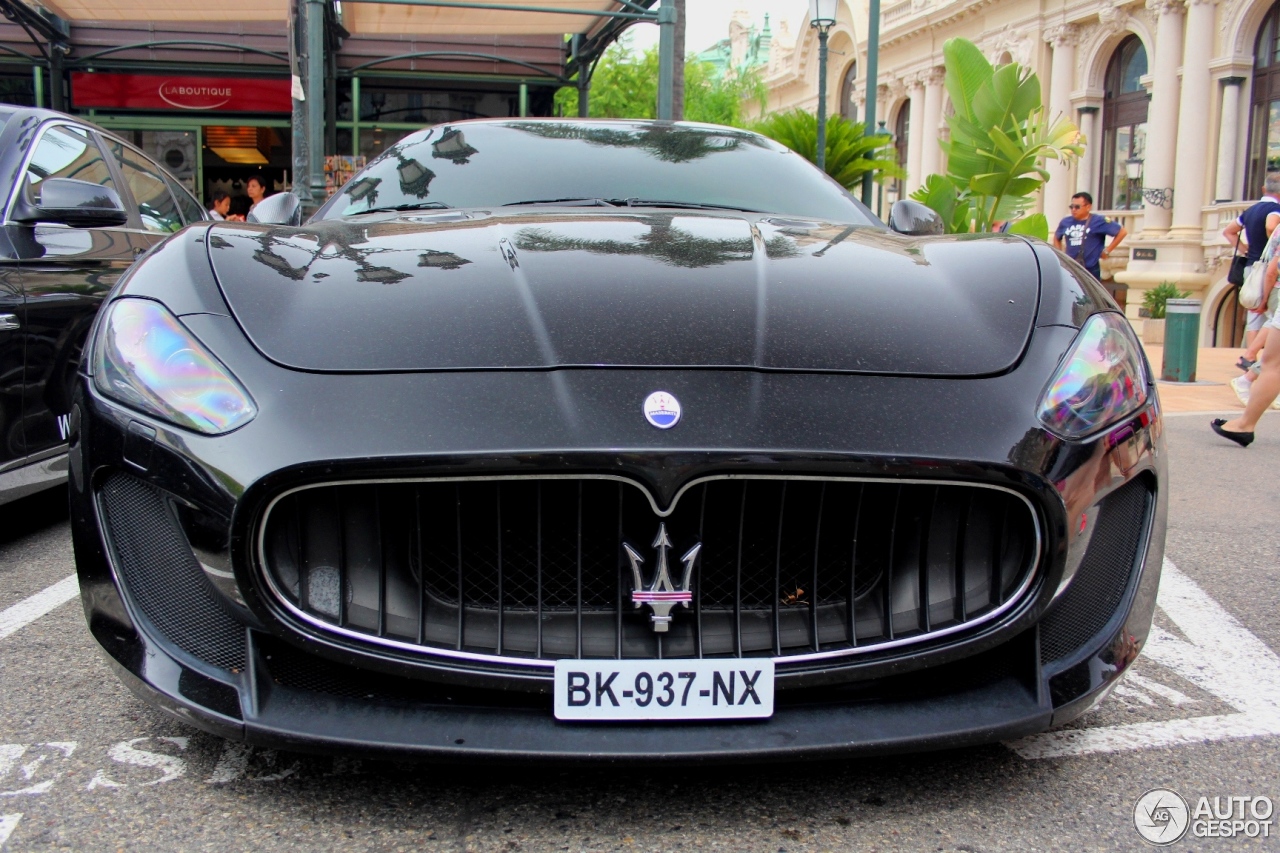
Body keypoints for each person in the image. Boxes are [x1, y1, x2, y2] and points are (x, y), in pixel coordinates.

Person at [1222, 175, 1280, 349]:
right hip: (1267, 268)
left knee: (1253, 316)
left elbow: (1229, 231)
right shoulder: (1276, 209)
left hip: (1251, 267)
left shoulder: (1251, 210)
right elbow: (1271, 225)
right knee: (1272, 316)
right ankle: (1254, 359)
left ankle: (1249, 356)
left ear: (1264, 189)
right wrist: (1273, 243)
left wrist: (1245, 249)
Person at [1054, 192, 1127, 280]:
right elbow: (1057, 237)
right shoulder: (1065, 222)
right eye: (1071, 207)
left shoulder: (1098, 221)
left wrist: (1107, 251)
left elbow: (1122, 232)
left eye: (1077, 207)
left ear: (1088, 207)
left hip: (1090, 268)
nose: (1073, 209)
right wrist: (1060, 255)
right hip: (1071, 267)